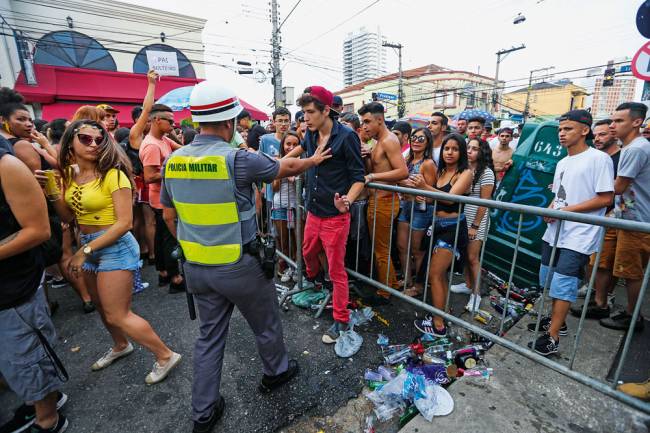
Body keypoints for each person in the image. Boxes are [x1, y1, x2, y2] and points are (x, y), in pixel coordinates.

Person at [160, 82, 331, 432]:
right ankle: (275, 373)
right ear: (229, 123)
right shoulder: (237, 158)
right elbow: (281, 169)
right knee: (265, 324)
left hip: (196, 268)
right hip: (240, 266)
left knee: (209, 338)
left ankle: (203, 412)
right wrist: (313, 159)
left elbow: (167, 215)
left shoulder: (173, 160)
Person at [49, 119, 182, 382]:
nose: (94, 144)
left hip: (113, 247)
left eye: (99, 140)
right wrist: (52, 190)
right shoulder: (70, 173)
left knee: (117, 313)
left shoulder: (114, 174)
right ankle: (121, 345)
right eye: (86, 139)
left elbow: (124, 223)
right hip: (89, 246)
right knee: (101, 306)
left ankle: (165, 355)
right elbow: (68, 215)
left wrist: (83, 250)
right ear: (70, 142)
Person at [527, 109, 614, 356]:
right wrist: (550, 208)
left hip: (580, 234)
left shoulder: (599, 159)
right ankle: (558, 321)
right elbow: (560, 196)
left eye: (568, 129)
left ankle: (552, 337)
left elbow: (606, 197)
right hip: (555, 231)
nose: (562, 134)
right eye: (560, 129)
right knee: (549, 279)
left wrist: (566, 212)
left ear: (585, 130)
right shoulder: (563, 162)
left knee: (564, 283)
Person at [285, 86, 366, 343]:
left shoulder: (347, 137)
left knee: (337, 270)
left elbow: (358, 178)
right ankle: (318, 284)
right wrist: (279, 164)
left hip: (335, 215)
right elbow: (302, 155)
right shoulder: (309, 134)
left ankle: (341, 320)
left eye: (310, 112)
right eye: (303, 112)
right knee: (308, 253)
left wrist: (348, 201)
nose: (305, 118)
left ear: (326, 110)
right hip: (313, 210)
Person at [0, 144, 69, 433]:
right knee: (11, 357)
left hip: (12, 286)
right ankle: (40, 401)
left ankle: (48, 419)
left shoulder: (6, 165)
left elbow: (39, 229)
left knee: (25, 353)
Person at [412, 133, 473, 337]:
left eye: (455, 149)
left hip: (453, 227)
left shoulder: (466, 173)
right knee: (440, 275)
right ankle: (444, 310)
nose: (449, 152)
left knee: (435, 274)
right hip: (437, 224)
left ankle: (438, 325)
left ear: (461, 152)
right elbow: (436, 200)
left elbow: (450, 199)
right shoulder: (441, 171)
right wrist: (425, 197)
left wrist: (424, 188)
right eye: (447, 148)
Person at [600, 102, 650, 332]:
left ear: (637, 122)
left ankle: (632, 316)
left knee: (631, 272)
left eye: (619, 121)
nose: (612, 125)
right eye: (612, 120)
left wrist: (589, 186)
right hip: (628, 216)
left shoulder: (636, 149)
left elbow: (618, 187)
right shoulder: (634, 147)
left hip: (637, 221)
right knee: (623, 268)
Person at [358, 102, 409, 297]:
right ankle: (389, 284)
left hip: (385, 202)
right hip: (379, 201)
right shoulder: (379, 141)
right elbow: (379, 168)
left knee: (381, 249)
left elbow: (402, 171)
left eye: (368, 121)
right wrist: (367, 157)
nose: (364, 126)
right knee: (379, 247)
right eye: (363, 122)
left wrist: (372, 177)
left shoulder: (388, 140)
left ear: (380, 119)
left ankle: (385, 291)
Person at [571, 118, 620, 314]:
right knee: (595, 261)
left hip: (611, 218)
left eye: (603, 134)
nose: (597, 139)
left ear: (613, 135)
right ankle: (596, 294)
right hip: (594, 218)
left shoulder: (620, 158)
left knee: (604, 263)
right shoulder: (595, 157)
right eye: (596, 134)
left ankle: (602, 301)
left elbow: (617, 193)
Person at [139, 103, 185, 292]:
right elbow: (149, 177)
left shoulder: (163, 140)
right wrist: (172, 171)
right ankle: (175, 278)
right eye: (170, 121)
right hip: (161, 198)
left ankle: (163, 273)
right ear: (157, 120)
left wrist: (172, 134)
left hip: (162, 197)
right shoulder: (151, 145)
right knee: (168, 238)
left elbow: (183, 149)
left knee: (160, 237)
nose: (173, 125)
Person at [450, 138, 495, 312]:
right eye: (468, 147)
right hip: (463, 217)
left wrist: (475, 226)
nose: (469, 151)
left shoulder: (487, 172)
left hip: (478, 219)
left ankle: (476, 294)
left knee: (472, 258)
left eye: (474, 149)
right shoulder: (466, 170)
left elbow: (484, 202)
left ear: (482, 152)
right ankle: (468, 285)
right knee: (465, 255)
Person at [396, 128, 437, 297]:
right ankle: (407, 279)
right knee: (401, 246)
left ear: (428, 142)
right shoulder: (407, 159)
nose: (417, 140)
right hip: (405, 206)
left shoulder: (428, 164)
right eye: (414, 137)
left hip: (421, 210)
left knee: (417, 251)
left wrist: (406, 185)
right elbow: (398, 180)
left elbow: (431, 194)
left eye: (421, 138)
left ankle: (419, 286)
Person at [272, 131, 300, 283]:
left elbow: (304, 188)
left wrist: (295, 180)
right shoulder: (277, 161)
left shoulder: (303, 160)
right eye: (288, 144)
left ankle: (297, 268)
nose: (291, 147)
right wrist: (281, 173)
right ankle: (286, 267)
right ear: (283, 145)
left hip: (296, 206)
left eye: (295, 144)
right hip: (280, 205)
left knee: (298, 240)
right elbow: (274, 188)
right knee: (283, 241)